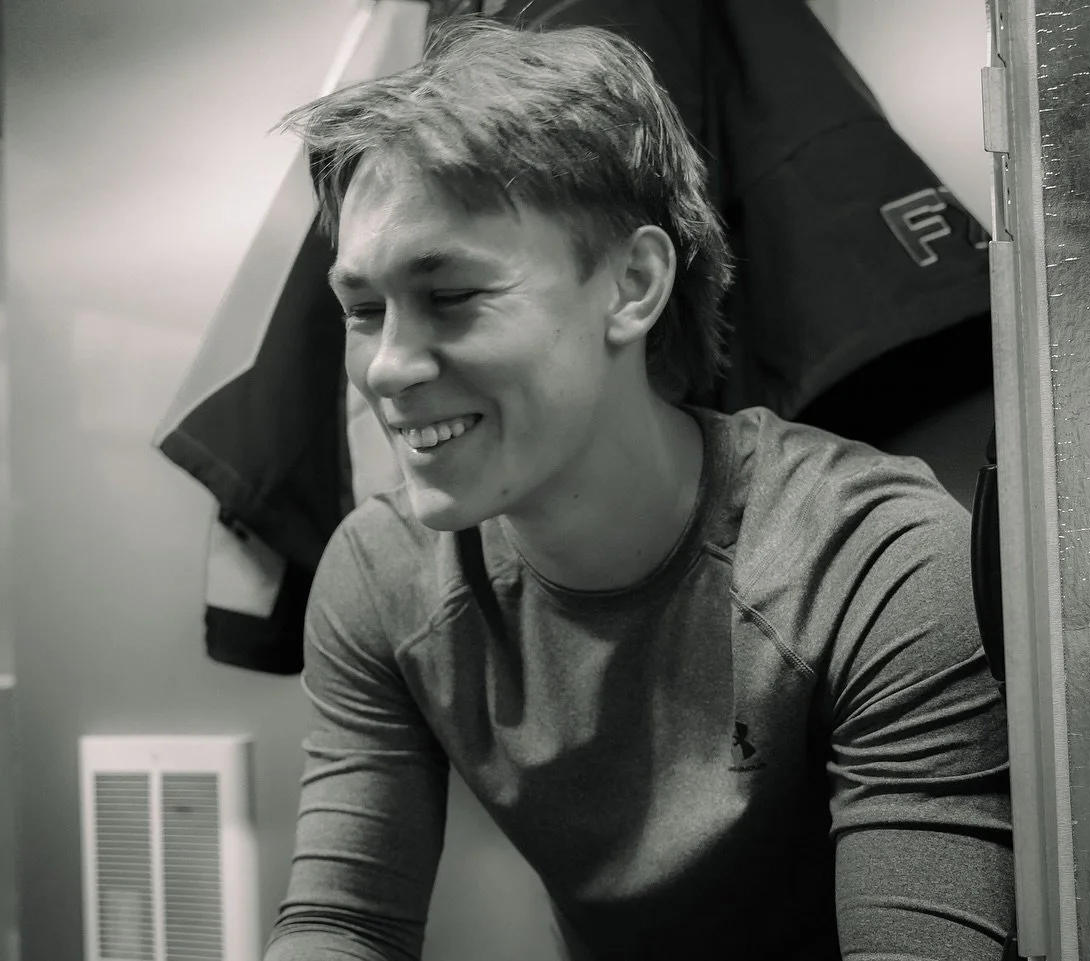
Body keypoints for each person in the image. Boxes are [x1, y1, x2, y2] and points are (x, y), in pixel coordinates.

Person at [263, 16, 1013, 961]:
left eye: (450, 296)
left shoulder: (877, 568)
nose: (388, 366)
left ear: (633, 283)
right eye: (364, 310)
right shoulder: (383, 575)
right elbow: (345, 923)